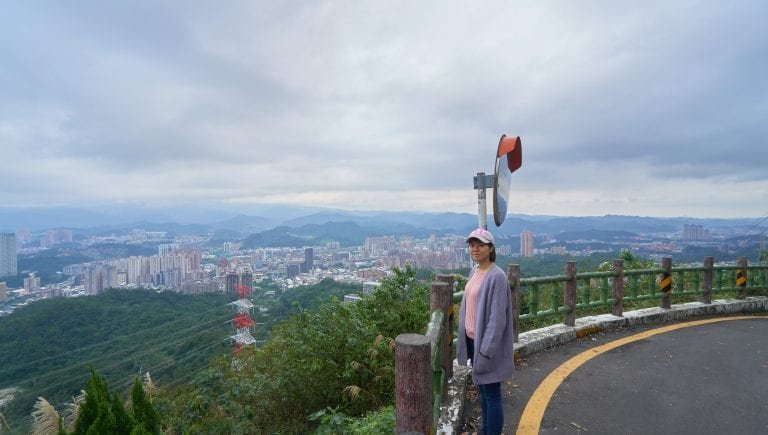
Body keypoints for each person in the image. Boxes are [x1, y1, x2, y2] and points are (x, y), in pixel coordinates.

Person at [457, 227, 515, 435]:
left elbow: (497, 319)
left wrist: (486, 351)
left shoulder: (497, 277)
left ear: (490, 248)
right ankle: (486, 429)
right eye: (472, 245)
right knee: (482, 389)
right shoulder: (475, 271)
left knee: (491, 393)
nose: (475, 249)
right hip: (472, 339)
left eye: (480, 245)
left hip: (485, 345)